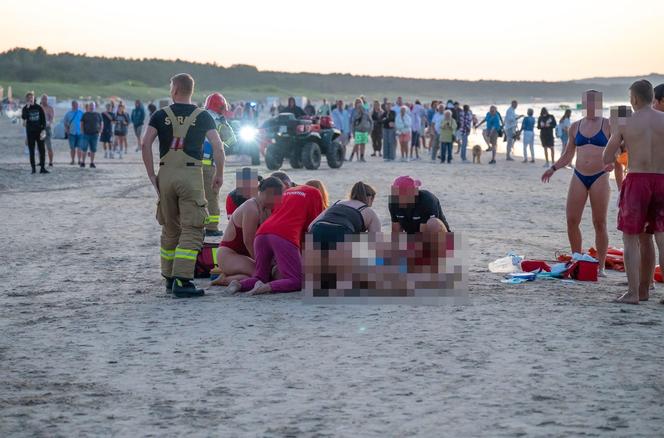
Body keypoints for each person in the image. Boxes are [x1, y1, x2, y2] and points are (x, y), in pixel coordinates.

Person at [141, 73, 225, 298]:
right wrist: (220, 174)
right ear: (190, 90)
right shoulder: (203, 116)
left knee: (169, 227)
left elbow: (145, 143)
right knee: (193, 227)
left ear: (175, 90)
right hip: (191, 174)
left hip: (166, 172)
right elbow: (218, 147)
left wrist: (152, 175)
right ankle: (183, 280)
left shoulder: (160, 115)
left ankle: (168, 278)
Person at [602, 80, 664, 304]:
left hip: (637, 179)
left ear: (635, 99)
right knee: (661, 238)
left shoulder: (626, 122)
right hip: (662, 179)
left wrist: (618, 134)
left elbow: (607, 158)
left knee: (631, 238)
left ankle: (633, 293)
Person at [541, 90, 612, 278]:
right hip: (579, 175)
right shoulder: (574, 127)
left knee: (599, 222)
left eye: (593, 102)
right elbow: (568, 155)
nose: (590, 106)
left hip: (600, 176)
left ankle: (602, 266)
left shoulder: (608, 124)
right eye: (587, 103)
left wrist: (614, 162)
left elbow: (622, 147)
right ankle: (577, 259)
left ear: (600, 103)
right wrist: (553, 168)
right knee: (572, 220)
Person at [225, 181, 326, 295]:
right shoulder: (315, 193)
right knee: (297, 281)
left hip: (262, 233)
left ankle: (239, 284)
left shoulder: (287, 192)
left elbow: (276, 212)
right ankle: (266, 288)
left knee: (260, 276)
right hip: (284, 235)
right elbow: (312, 227)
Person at [306, 182, 381, 292]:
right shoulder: (369, 212)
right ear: (370, 197)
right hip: (341, 232)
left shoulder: (337, 203)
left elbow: (310, 226)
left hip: (317, 230)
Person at [212, 176, 284, 286]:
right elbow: (248, 241)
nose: (275, 200)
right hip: (229, 254)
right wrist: (264, 263)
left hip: (247, 255)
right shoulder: (251, 208)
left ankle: (228, 277)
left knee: (268, 274)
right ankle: (223, 280)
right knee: (262, 275)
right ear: (262, 192)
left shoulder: (269, 208)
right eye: (273, 196)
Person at [203, 92, 237, 237]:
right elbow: (232, 143)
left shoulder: (198, 117)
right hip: (208, 166)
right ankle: (212, 227)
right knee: (212, 197)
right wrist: (226, 124)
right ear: (221, 107)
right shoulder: (219, 122)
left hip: (189, 166)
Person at [21, 92, 48, 174]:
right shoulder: (25, 108)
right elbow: (24, 117)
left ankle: (42, 168)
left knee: (42, 150)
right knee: (31, 151)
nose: (30, 99)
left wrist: (43, 130)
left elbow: (43, 119)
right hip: (30, 133)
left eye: (31, 97)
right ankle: (33, 169)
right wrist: (28, 107)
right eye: (28, 98)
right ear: (26, 99)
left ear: (34, 98)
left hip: (39, 132)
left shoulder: (39, 107)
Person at [80, 102, 102, 168]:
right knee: (84, 148)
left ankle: (92, 162)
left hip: (95, 134)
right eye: (90, 106)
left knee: (93, 149)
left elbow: (101, 123)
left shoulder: (98, 114)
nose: (92, 107)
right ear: (88, 107)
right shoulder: (85, 114)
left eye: (93, 106)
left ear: (95, 107)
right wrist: (82, 131)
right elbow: (82, 123)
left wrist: (100, 132)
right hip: (86, 134)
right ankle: (83, 162)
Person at [63, 100, 84, 165]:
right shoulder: (68, 114)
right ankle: (72, 160)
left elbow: (84, 122)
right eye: (74, 104)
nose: (76, 106)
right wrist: (67, 131)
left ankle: (79, 160)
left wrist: (83, 130)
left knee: (79, 148)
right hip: (71, 133)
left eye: (76, 104)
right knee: (72, 148)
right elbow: (65, 123)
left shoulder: (81, 113)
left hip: (80, 133)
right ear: (72, 105)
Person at [39, 94, 54, 167]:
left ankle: (50, 162)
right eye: (43, 99)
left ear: (47, 100)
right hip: (40, 129)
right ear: (41, 100)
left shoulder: (50, 108)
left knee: (49, 146)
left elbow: (51, 118)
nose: (44, 100)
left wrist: (49, 123)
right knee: (40, 146)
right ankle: (41, 161)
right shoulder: (39, 108)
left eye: (45, 99)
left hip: (47, 129)